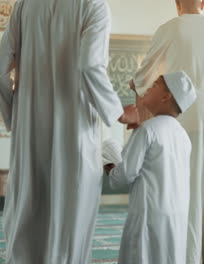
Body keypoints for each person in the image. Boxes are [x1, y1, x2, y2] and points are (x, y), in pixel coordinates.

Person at [0, 0, 138, 263]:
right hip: (75, 135)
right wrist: (117, 112)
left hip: (29, 135)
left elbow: (0, 67)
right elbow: (90, 66)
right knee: (69, 229)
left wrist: (15, 117)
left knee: (28, 221)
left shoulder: (24, 5)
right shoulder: (93, 5)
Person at [131, 0, 204, 263]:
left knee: (185, 199)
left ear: (177, 3)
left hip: (185, 120)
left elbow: (142, 78)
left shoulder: (169, 28)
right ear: (203, 2)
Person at [106, 71, 196, 264]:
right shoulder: (183, 136)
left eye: (155, 84)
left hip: (148, 218)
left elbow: (120, 178)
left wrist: (108, 162)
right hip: (175, 219)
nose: (147, 88)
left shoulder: (148, 130)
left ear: (166, 96)